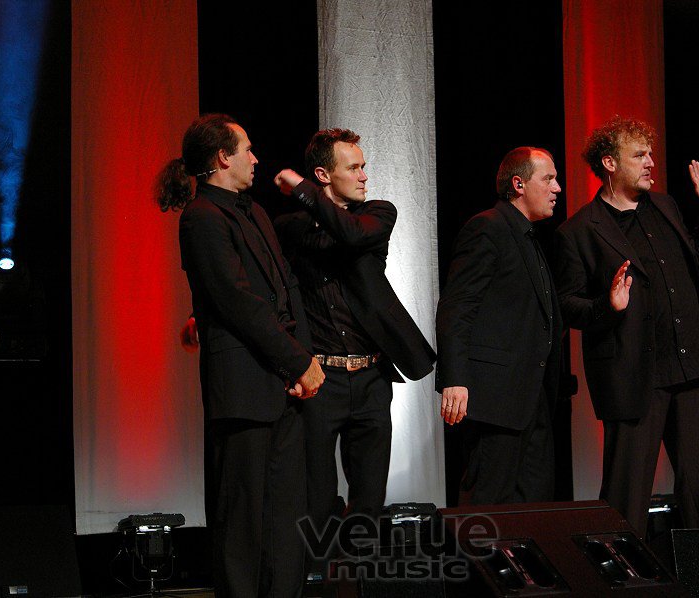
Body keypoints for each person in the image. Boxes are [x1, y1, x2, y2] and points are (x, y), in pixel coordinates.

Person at [156, 113, 324, 598]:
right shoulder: (202, 217)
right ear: (222, 157)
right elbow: (237, 301)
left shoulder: (255, 212)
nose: (256, 158)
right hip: (245, 387)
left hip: (283, 382)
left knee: (286, 518)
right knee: (243, 521)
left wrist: (304, 360)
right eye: (247, 149)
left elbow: (287, 289)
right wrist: (297, 361)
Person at [553, 115, 699, 537]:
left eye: (650, 154)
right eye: (639, 155)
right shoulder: (579, 231)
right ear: (610, 163)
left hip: (690, 369)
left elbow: (694, 266)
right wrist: (607, 305)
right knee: (626, 497)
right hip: (634, 377)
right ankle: (620, 572)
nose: (651, 162)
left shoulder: (666, 207)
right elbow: (568, 306)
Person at [272, 129, 436, 570]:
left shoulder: (377, 214)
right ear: (324, 174)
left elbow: (349, 236)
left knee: (369, 498)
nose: (365, 176)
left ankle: (359, 577)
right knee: (317, 497)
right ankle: (320, 579)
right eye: (354, 167)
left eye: (364, 167)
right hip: (319, 379)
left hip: (370, 378)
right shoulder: (289, 229)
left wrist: (303, 190)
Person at [435, 146, 564, 505]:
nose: (557, 188)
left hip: (532, 399)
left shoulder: (529, 238)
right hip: (496, 401)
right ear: (519, 184)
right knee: (487, 504)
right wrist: (455, 378)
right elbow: (457, 306)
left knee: (533, 507)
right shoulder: (488, 228)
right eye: (549, 179)